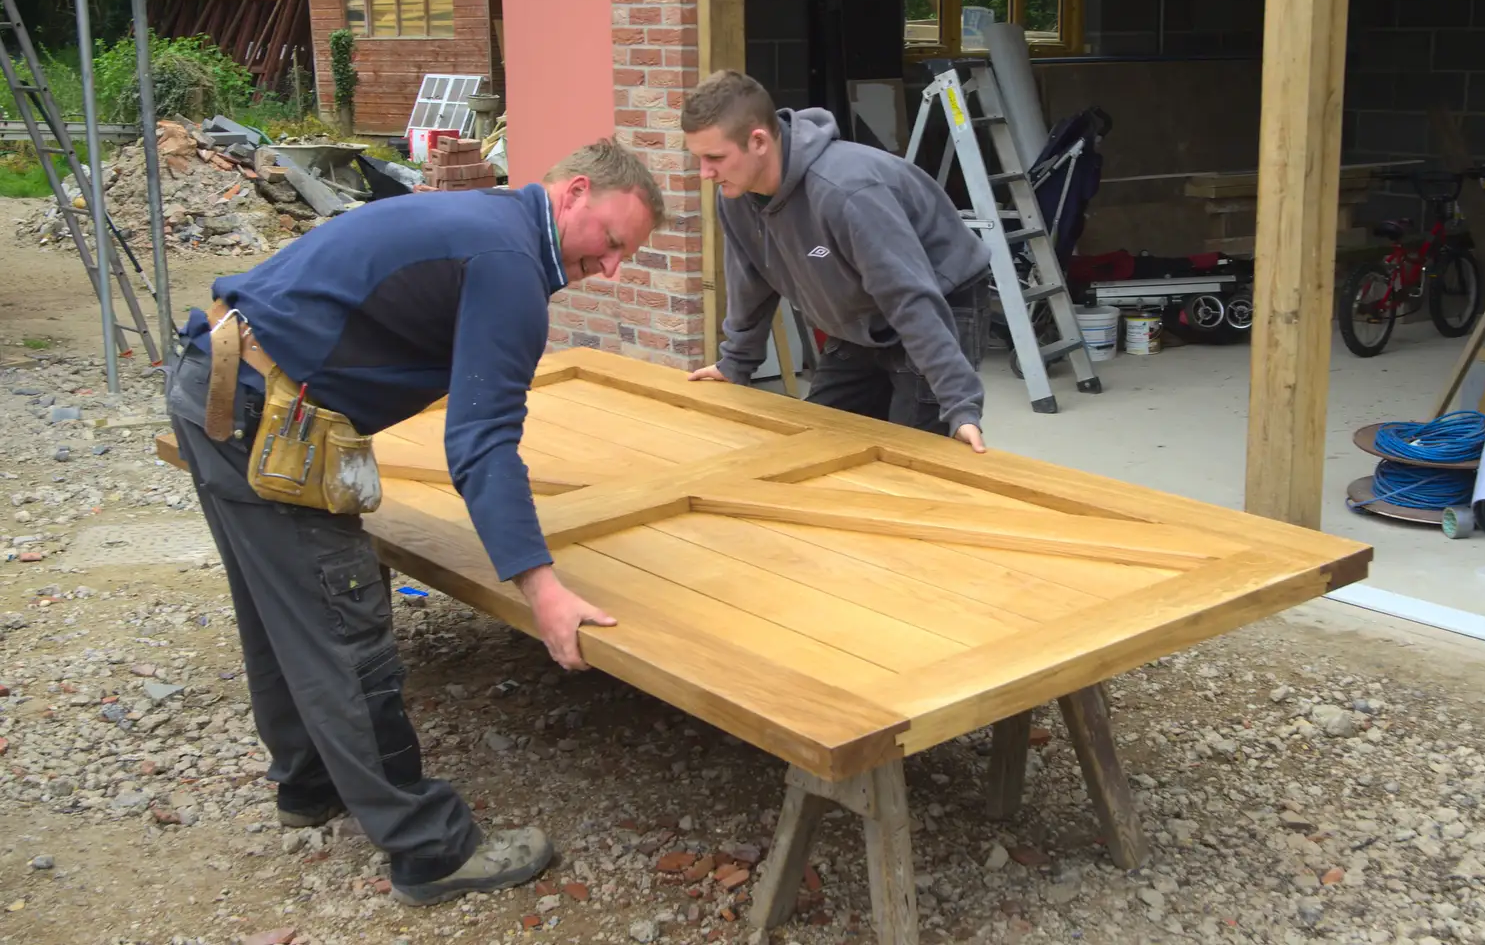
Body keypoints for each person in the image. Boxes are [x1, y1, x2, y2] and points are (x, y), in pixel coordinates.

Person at [162, 137, 663, 906]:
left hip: (220, 383)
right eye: (614, 241)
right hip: (265, 417)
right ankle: (430, 850)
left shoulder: (487, 224)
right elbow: (482, 441)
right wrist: (543, 588)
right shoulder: (510, 264)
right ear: (574, 194)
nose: (614, 267)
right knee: (343, 623)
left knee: (281, 610)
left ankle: (308, 783)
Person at [680, 69, 992, 451]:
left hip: (939, 301)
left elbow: (909, 297)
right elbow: (751, 283)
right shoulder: (737, 198)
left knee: (908, 459)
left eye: (714, 157)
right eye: (698, 158)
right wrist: (736, 362)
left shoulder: (846, 192)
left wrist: (959, 403)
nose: (704, 173)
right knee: (819, 442)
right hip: (862, 316)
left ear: (758, 141)